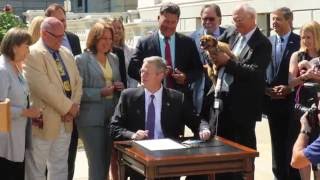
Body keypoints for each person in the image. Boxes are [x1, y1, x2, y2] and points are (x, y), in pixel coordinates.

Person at [110, 56, 211, 180]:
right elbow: (114, 127)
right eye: (142, 71)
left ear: (160, 75)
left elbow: (197, 121)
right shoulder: (128, 96)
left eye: (147, 72)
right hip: (139, 157)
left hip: (168, 158)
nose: (142, 75)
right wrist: (133, 135)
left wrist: (204, 129)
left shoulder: (177, 98)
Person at [201, 4, 271, 179]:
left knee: (241, 157)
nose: (236, 22)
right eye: (234, 19)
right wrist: (211, 54)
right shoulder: (231, 34)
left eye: (239, 19)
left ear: (252, 19)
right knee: (221, 154)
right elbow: (212, 48)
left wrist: (228, 63)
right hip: (222, 102)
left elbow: (255, 72)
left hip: (243, 109)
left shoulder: (262, 43)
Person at [24, 17, 82, 180]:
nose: (60, 40)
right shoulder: (32, 53)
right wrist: (69, 108)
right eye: (56, 36)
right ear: (43, 33)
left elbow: (78, 82)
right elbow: (44, 89)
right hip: (43, 122)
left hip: (65, 122)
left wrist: (74, 107)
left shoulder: (66, 52)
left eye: (62, 36)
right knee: (36, 170)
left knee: (60, 168)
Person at [75, 21, 124, 180]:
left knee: (106, 162)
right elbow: (76, 92)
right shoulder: (81, 60)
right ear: (94, 38)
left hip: (111, 116)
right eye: (103, 38)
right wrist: (100, 93)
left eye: (110, 38)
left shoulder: (114, 58)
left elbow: (118, 83)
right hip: (90, 118)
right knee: (96, 164)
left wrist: (120, 86)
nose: (107, 42)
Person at [128, 2, 202, 102]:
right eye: (166, 21)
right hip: (151, 98)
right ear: (158, 18)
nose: (169, 26)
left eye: (173, 22)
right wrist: (152, 76)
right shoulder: (144, 43)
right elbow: (132, 69)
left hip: (180, 99)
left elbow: (198, 70)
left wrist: (185, 77)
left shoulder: (188, 43)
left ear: (177, 21)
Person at [45, 4, 82, 179]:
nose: (63, 24)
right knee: (50, 164)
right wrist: (65, 107)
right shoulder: (40, 45)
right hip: (51, 113)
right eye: (58, 21)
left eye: (64, 20)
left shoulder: (73, 39)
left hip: (71, 114)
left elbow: (77, 77)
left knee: (69, 157)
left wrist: (73, 107)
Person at [263, 7, 300, 180]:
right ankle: (279, 175)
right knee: (276, 142)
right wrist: (265, 89)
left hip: (293, 102)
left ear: (289, 21)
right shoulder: (266, 42)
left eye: (278, 19)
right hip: (272, 102)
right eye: (272, 19)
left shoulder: (299, 42)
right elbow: (261, 70)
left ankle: (293, 175)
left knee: (292, 141)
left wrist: (288, 87)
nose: (273, 23)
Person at [0, 28, 41, 180]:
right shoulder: (2, 70)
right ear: (14, 46)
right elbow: (0, 107)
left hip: (17, 139)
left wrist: (32, 112)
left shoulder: (15, 67)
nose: (28, 51)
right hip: (5, 144)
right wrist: (25, 112)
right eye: (26, 46)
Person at [287, 21, 320, 180]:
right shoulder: (297, 55)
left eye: (309, 37)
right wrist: (304, 76)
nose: (305, 41)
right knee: (303, 145)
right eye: (303, 37)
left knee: (317, 152)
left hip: (319, 105)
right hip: (302, 106)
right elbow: (290, 83)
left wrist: (316, 76)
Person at [190, 3, 226, 114]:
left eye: (211, 19)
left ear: (219, 19)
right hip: (200, 91)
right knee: (201, 128)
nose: (208, 22)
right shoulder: (192, 38)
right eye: (205, 19)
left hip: (223, 89)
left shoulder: (229, 35)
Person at [111, 17, 137, 88]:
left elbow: (134, 76)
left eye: (119, 28)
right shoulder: (104, 52)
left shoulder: (132, 51)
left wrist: (128, 90)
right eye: (113, 28)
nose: (116, 31)